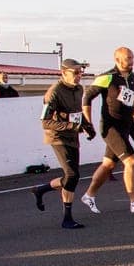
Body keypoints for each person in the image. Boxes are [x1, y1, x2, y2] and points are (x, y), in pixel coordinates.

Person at [79, 47, 134, 215]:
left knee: (108, 164)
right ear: (117, 60)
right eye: (128, 58)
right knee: (131, 160)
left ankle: (89, 195)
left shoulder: (132, 77)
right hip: (111, 127)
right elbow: (87, 97)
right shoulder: (107, 77)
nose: (131, 61)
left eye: (132, 57)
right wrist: (87, 123)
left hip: (126, 125)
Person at [30, 59, 96, 229]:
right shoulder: (54, 92)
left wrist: (88, 126)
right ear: (64, 73)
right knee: (72, 175)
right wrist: (71, 126)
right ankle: (67, 218)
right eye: (75, 73)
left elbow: (77, 112)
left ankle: (41, 190)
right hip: (58, 137)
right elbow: (45, 122)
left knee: (72, 176)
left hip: (73, 136)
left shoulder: (79, 89)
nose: (79, 76)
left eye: (81, 72)